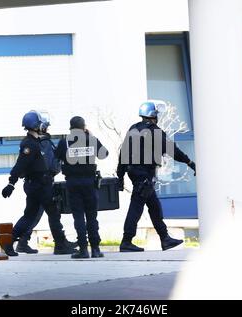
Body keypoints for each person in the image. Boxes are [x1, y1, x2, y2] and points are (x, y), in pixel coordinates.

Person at [117, 101, 197, 252]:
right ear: (153, 115)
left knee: (154, 207)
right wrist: (189, 162)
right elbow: (173, 151)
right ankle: (126, 241)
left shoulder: (133, 129)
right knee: (136, 207)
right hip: (144, 176)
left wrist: (120, 176)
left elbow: (123, 153)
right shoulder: (155, 132)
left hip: (134, 174)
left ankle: (165, 239)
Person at [1, 110, 76, 257]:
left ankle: (8, 242)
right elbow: (20, 165)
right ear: (37, 126)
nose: (46, 128)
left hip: (38, 184)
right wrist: (11, 183)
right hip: (40, 185)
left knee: (29, 215)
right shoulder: (30, 144)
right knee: (53, 214)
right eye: (43, 125)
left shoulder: (36, 142)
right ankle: (60, 244)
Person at [15, 132, 78, 255]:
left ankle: (22, 241)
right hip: (43, 184)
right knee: (48, 214)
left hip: (32, 183)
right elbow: (52, 165)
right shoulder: (45, 143)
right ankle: (60, 243)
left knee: (34, 214)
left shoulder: (28, 143)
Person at [55, 116, 109, 259]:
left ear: (71, 128)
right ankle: (96, 249)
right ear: (84, 127)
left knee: (78, 215)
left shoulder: (64, 141)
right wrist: (91, 138)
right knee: (92, 216)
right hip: (90, 183)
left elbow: (57, 157)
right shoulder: (91, 140)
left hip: (73, 183)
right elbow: (104, 155)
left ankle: (83, 249)